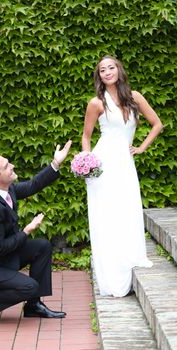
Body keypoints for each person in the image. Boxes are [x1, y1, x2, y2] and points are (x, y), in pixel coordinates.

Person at [0, 140, 72, 325]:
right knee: (29, 287)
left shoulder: (6, 189)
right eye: (6, 166)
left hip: (1, 257)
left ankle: (33, 306)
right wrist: (26, 230)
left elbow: (32, 185)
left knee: (42, 246)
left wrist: (56, 163)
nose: (12, 165)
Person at [82, 55, 163, 297]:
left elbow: (157, 124)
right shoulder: (96, 103)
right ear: (99, 76)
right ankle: (111, 265)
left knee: (127, 208)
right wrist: (88, 161)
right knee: (107, 214)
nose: (107, 72)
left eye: (111, 67)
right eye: (102, 70)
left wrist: (141, 147)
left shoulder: (135, 97)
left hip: (125, 163)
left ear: (118, 70)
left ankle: (128, 255)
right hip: (103, 164)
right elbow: (86, 136)